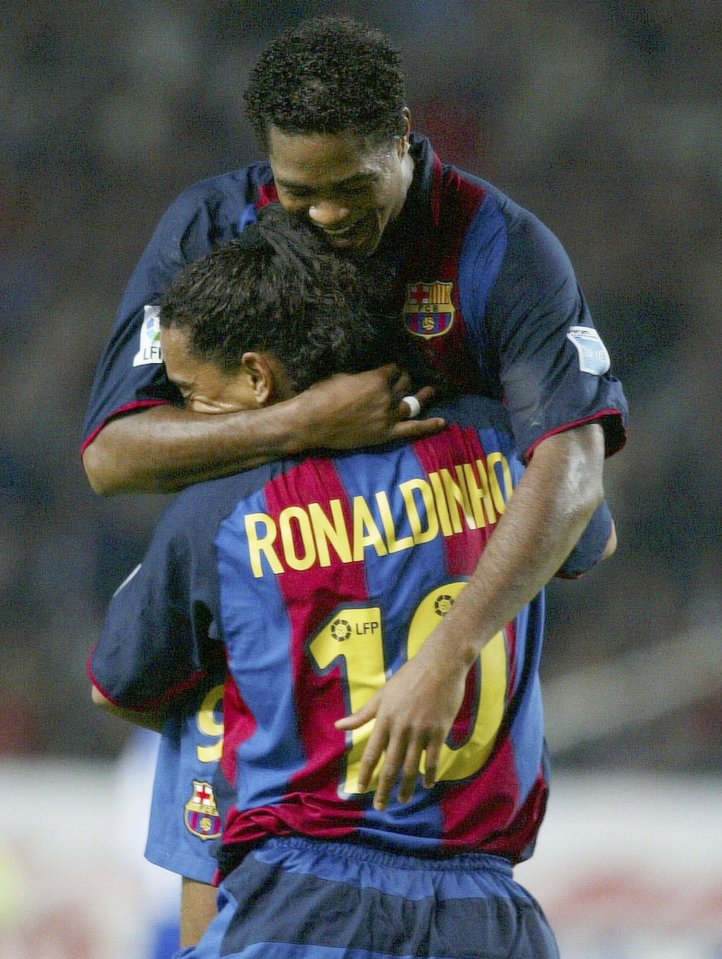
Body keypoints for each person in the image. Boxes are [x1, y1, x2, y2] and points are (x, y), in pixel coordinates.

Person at [82, 16, 627, 816]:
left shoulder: (499, 247)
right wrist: (305, 422)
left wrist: (447, 653)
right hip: (259, 628)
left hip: (431, 660)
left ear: (403, 138)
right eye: (300, 194)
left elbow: (578, 476)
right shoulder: (209, 227)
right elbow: (112, 455)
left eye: (353, 188)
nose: (328, 217)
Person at [89, 206, 616, 958]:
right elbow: (591, 528)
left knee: (207, 684)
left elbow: (118, 685)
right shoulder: (507, 450)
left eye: (193, 391)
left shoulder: (219, 508)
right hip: (489, 913)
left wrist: (284, 703)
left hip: (305, 903)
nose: (188, 416)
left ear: (257, 375)